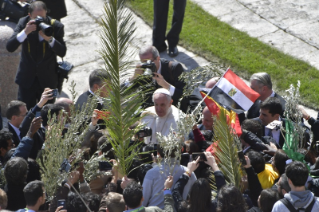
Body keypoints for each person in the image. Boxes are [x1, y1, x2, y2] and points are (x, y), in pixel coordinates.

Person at [6, 1, 67, 110]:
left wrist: (50, 39)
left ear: (46, 14)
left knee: (48, 114)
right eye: (36, 18)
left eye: (42, 18)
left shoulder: (55, 26)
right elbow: (10, 47)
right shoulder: (23, 22)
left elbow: (62, 52)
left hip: (48, 80)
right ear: (29, 15)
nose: (39, 21)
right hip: (27, 79)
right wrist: (25, 32)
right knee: (25, 114)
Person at [128, 46, 186, 111]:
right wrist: (134, 77)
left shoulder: (174, 68)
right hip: (149, 111)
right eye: (143, 63)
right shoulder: (142, 71)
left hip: (171, 109)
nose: (147, 66)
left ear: (158, 58)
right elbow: (123, 92)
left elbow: (184, 95)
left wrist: (166, 85)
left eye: (149, 62)